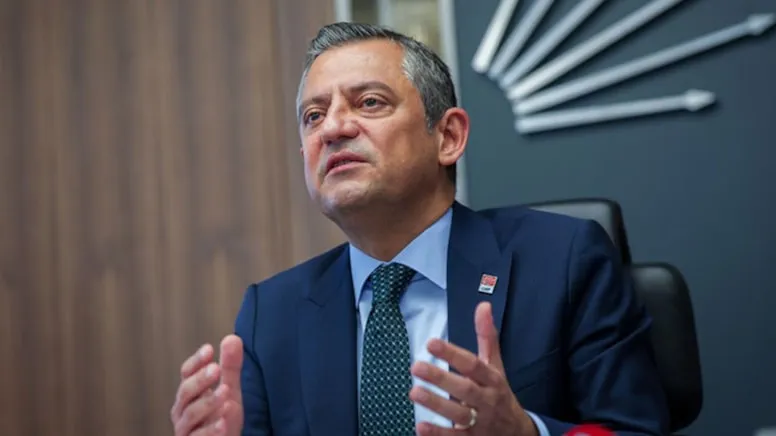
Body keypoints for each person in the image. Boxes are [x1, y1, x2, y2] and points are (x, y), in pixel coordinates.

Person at [169, 22, 670, 436]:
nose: (333, 128)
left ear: (448, 136)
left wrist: (526, 433)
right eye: (313, 116)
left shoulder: (562, 260)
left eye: (369, 102)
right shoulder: (271, 315)